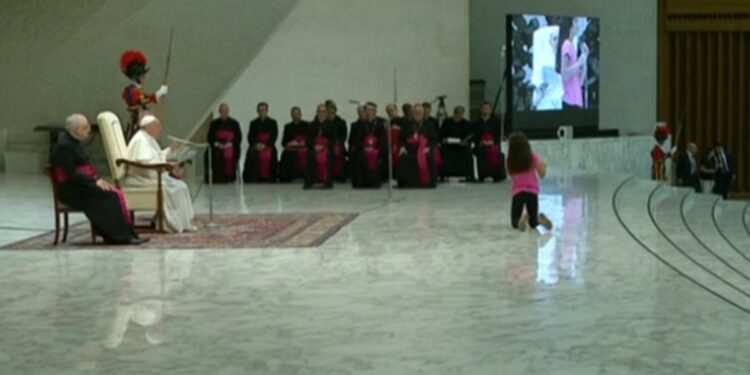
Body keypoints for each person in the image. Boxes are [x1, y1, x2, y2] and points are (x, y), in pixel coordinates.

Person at [50, 114, 146, 245]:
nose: (89, 130)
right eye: (85, 127)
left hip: (81, 185)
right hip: (71, 190)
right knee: (109, 197)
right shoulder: (64, 146)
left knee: (111, 194)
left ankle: (126, 234)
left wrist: (97, 180)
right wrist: (94, 182)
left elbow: (85, 170)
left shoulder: (73, 142)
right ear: (76, 130)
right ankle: (119, 236)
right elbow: (71, 174)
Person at [125, 115, 197, 233]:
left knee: (181, 186)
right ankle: (170, 223)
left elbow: (157, 157)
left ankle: (182, 222)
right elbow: (144, 163)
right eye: (157, 126)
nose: (160, 129)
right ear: (149, 127)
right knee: (177, 188)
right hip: (141, 178)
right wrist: (166, 166)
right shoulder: (140, 140)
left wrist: (170, 150)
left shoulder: (148, 138)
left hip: (151, 176)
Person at [506, 132, 553, 231]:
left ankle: (521, 221)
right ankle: (539, 220)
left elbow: (510, 175)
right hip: (532, 192)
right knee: (533, 223)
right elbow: (542, 175)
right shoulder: (533, 158)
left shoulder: (510, 160)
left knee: (515, 220)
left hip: (518, 192)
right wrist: (544, 167)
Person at [120, 50, 168, 142]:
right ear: (137, 77)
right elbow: (140, 100)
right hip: (136, 124)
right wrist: (158, 93)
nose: (144, 78)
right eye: (142, 75)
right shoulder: (130, 91)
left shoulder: (137, 91)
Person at [397, 104, 438, 188]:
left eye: (420, 112)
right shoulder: (407, 124)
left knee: (429, 157)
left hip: (424, 149)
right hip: (409, 149)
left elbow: (434, 139)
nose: (418, 114)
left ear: (423, 113)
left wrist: (429, 147)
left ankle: (426, 183)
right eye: (416, 112)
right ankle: (405, 183)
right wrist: (402, 147)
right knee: (403, 157)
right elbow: (401, 138)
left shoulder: (429, 124)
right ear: (412, 113)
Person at [350, 102, 387, 188]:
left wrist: (375, 148)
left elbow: (383, 139)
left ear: (375, 111)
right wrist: (364, 147)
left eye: (370, 110)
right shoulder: (362, 124)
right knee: (360, 155)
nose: (368, 112)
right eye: (367, 110)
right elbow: (358, 139)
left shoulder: (381, 123)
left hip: (377, 148)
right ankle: (362, 181)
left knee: (376, 155)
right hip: (364, 148)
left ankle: (374, 182)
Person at [243, 102, 278, 183]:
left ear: (267, 111)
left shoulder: (273, 122)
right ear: (257, 111)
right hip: (256, 145)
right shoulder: (253, 123)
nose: (262, 112)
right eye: (260, 110)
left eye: (264, 110)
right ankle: (254, 179)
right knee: (252, 155)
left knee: (270, 155)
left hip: (268, 146)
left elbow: (274, 136)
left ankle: (269, 179)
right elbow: (250, 136)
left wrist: (265, 145)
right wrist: (256, 145)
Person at [206, 103, 241, 183]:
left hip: (231, 147)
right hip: (217, 147)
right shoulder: (214, 123)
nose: (224, 112)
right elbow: (210, 138)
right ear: (219, 111)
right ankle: (217, 178)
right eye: (222, 110)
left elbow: (238, 137)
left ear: (228, 111)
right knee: (215, 155)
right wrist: (218, 144)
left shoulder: (234, 123)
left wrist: (228, 145)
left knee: (232, 155)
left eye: (225, 110)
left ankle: (230, 178)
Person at [304, 104, 337, 190]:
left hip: (327, 148)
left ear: (326, 113)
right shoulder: (311, 125)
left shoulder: (332, 125)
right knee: (310, 156)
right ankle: (309, 182)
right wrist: (314, 146)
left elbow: (333, 140)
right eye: (320, 111)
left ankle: (327, 182)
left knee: (327, 157)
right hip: (314, 148)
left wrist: (324, 147)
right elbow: (307, 140)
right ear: (317, 112)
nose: (322, 113)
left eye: (323, 111)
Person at [560, 17, 589, 109]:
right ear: (570, 26)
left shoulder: (572, 46)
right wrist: (579, 64)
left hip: (576, 102)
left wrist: (585, 56)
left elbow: (580, 80)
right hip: (570, 103)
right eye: (576, 22)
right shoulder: (567, 45)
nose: (578, 25)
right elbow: (564, 74)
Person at [440, 106, 475, 182]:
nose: (458, 115)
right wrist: (445, 140)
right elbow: (442, 135)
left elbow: (470, 136)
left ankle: (468, 175)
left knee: (468, 152)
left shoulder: (466, 123)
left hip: (462, 146)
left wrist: (465, 142)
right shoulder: (447, 122)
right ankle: (443, 175)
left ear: (463, 114)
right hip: (449, 146)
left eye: (460, 113)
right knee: (443, 151)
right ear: (454, 113)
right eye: (457, 113)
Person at [473, 102, 506, 182]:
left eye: (487, 108)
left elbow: (497, 135)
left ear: (490, 110)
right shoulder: (477, 122)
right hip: (481, 144)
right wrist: (480, 142)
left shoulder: (495, 121)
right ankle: (482, 175)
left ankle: (495, 175)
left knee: (494, 151)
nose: (485, 110)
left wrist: (492, 142)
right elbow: (475, 135)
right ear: (481, 110)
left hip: (492, 144)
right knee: (481, 151)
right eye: (484, 108)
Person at [278, 106, 309, 183]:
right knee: (285, 154)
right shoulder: (288, 126)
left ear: (301, 114)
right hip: (292, 148)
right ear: (291, 115)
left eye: (297, 113)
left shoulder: (307, 125)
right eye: (294, 114)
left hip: (304, 147)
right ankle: (287, 177)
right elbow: (284, 142)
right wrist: (290, 143)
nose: (296, 115)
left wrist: (302, 142)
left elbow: (310, 138)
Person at [326, 100, 348, 183]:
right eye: (329, 110)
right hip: (327, 145)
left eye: (333, 110)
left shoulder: (341, 122)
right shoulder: (324, 122)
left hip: (338, 144)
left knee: (340, 152)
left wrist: (338, 142)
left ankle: (340, 175)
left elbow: (344, 135)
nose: (331, 112)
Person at [386, 104, 404, 177]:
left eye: (392, 110)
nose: (390, 112)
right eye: (389, 111)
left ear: (396, 110)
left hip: (399, 142)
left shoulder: (402, 120)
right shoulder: (387, 122)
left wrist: (398, 128)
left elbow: (405, 132)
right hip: (389, 143)